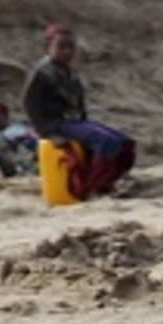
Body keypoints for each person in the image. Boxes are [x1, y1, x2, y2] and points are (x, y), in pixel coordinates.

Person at [22, 25, 136, 197]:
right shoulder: (41, 72)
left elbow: (79, 102)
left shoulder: (70, 72)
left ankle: (112, 180)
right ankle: (94, 187)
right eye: (61, 46)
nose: (67, 51)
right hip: (57, 122)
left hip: (75, 121)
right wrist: (46, 132)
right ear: (48, 47)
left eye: (71, 47)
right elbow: (30, 104)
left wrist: (85, 122)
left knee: (123, 142)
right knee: (105, 142)